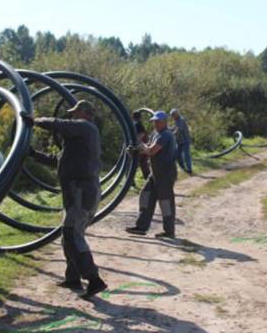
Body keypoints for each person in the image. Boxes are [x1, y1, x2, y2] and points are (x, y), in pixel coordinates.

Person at [30, 100, 108, 299]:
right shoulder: (79, 140)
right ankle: (72, 278)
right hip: (77, 192)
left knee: (73, 234)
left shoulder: (86, 128)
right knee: (69, 235)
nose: (72, 115)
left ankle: (94, 279)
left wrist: (35, 121)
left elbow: (59, 124)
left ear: (84, 113)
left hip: (82, 192)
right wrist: (33, 155)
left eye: (75, 112)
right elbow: (58, 161)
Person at [126, 110, 178, 239]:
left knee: (165, 202)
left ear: (164, 122)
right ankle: (141, 227)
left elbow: (151, 150)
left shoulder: (165, 135)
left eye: (157, 121)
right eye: (154, 121)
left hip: (165, 173)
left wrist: (139, 146)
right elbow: (148, 147)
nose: (155, 124)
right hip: (155, 173)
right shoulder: (156, 133)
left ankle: (169, 231)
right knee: (146, 195)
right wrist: (136, 149)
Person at [170, 108, 192, 174]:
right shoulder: (176, 121)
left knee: (186, 155)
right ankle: (183, 168)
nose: (172, 117)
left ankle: (189, 169)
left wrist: (172, 134)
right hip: (179, 141)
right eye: (171, 115)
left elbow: (178, 130)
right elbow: (174, 128)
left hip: (185, 141)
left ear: (176, 114)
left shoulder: (181, 120)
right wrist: (168, 129)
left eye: (173, 115)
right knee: (178, 155)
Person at [132, 110, 151, 180]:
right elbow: (142, 134)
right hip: (140, 145)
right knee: (143, 163)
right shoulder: (138, 124)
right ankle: (148, 179)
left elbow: (141, 134)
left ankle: (148, 178)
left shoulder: (134, 124)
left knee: (140, 163)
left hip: (138, 146)